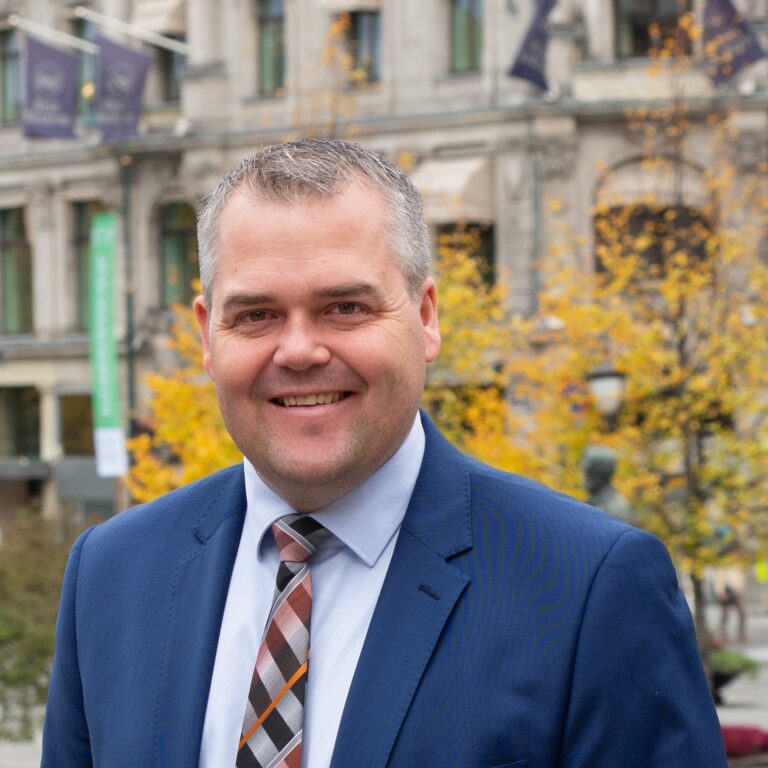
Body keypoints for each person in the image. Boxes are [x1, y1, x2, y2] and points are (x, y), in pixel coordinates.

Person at [42, 139, 727, 767]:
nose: (301, 350)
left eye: (345, 307)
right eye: (256, 315)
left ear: (426, 317)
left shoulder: (589, 588)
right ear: (206, 333)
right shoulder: (112, 574)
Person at [582, 445, 635, 525]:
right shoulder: (591, 503)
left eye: (590, 471)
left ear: (601, 472)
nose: (585, 476)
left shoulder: (618, 508)